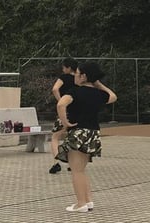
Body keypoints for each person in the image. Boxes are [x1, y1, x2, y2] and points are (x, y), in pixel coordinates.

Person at [56, 62, 117, 212]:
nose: (75, 76)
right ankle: (88, 200)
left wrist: (65, 122)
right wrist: (98, 83)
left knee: (76, 170)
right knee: (81, 170)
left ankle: (80, 203)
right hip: (93, 133)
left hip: (78, 132)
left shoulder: (75, 92)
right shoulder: (99, 94)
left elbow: (61, 104)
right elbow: (113, 97)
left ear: (83, 76)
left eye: (77, 73)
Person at [48, 58, 78, 174]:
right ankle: (72, 164)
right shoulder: (79, 79)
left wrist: (60, 101)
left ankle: (56, 163)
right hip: (77, 112)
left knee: (55, 137)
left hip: (65, 111)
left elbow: (55, 89)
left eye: (64, 67)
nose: (63, 69)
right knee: (71, 137)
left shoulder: (64, 78)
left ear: (68, 67)